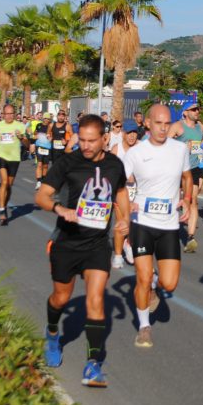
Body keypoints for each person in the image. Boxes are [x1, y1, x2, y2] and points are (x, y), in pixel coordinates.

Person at [34, 114, 130, 388]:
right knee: (60, 298)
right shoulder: (67, 163)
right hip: (66, 242)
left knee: (96, 300)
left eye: (91, 141)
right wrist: (60, 209)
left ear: (104, 139)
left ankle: (93, 364)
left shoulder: (114, 165)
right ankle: (53, 334)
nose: (85, 146)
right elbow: (41, 196)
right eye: (82, 140)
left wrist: (125, 219)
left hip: (97, 244)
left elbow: (120, 193)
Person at [122, 104, 192, 347]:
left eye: (166, 123)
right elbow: (119, 184)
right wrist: (128, 204)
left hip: (169, 225)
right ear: (148, 124)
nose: (163, 128)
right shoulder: (135, 153)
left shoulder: (180, 149)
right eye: (158, 123)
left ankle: (154, 285)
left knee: (169, 283)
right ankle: (144, 327)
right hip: (142, 222)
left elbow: (187, 177)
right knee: (142, 277)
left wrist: (187, 199)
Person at [169, 101, 203, 252]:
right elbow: (166, 145)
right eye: (193, 109)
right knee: (175, 200)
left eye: (198, 109)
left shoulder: (201, 127)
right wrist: (183, 147)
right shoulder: (177, 126)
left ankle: (190, 237)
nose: (197, 111)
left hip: (194, 168)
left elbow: (201, 145)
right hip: (177, 168)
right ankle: (169, 229)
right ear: (185, 112)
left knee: (193, 201)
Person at [0, 104, 29, 226]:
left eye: (11, 113)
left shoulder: (20, 126)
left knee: (9, 185)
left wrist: (21, 138)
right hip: (1, 156)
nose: (9, 116)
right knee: (4, 182)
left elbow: (27, 144)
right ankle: (1, 210)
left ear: (15, 114)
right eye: (7, 114)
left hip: (14, 158)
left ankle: (4, 205)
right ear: (3, 114)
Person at [111, 123, 140, 269]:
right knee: (121, 220)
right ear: (123, 134)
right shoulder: (117, 149)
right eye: (129, 133)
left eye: (134, 132)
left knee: (134, 221)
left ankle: (129, 243)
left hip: (137, 190)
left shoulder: (141, 148)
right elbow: (109, 170)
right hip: (121, 190)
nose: (132, 136)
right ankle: (117, 256)